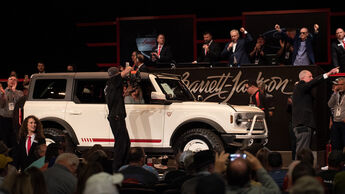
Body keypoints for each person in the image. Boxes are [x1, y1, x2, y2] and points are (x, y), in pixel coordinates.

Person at [292, 67, 339, 159]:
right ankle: (299, 170)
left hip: (304, 125)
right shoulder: (301, 85)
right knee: (302, 151)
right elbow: (314, 82)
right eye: (310, 76)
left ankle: (302, 169)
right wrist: (328, 73)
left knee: (304, 150)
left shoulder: (303, 89)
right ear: (303, 78)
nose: (312, 78)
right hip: (303, 124)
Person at [104, 66, 132, 172]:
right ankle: (117, 169)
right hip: (116, 117)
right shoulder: (114, 80)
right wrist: (128, 67)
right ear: (116, 74)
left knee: (126, 142)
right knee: (121, 144)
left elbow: (116, 97)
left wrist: (126, 92)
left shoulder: (109, 84)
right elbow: (128, 70)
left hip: (115, 116)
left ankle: (123, 166)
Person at [0, 76, 24, 148]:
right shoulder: (2, 92)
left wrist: (14, 91)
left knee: (14, 139)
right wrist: (3, 94)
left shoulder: (20, 93)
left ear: (16, 83)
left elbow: (20, 104)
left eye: (14, 80)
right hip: (4, 119)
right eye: (11, 79)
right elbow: (1, 105)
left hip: (15, 120)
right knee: (4, 139)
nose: (12, 81)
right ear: (7, 82)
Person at [328, 77, 345, 151]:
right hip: (336, 123)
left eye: (341, 84)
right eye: (338, 84)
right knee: (336, 144)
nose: (339, 86)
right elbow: (330, 104)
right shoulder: (336, 94)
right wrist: (334, 92)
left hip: (344, 122)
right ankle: (338, 160)